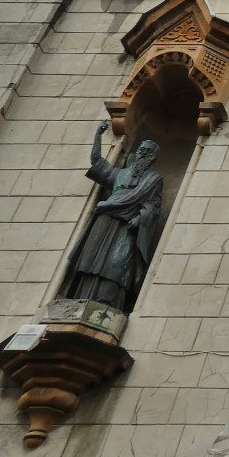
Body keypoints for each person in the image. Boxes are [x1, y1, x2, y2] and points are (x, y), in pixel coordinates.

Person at [60, 119, 165, 313]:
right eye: (141, 149)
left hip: (128, 225)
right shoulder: (119, 174)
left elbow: (154, 207)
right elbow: (97, 162)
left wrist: (141, 218)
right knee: (90, 258)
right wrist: (98, 136)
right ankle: (81, 298)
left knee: (116, 263)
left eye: (148, 152)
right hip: (105, 218)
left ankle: (108, 303)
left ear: (153, 158)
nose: (143, 153)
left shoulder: (154, 180)